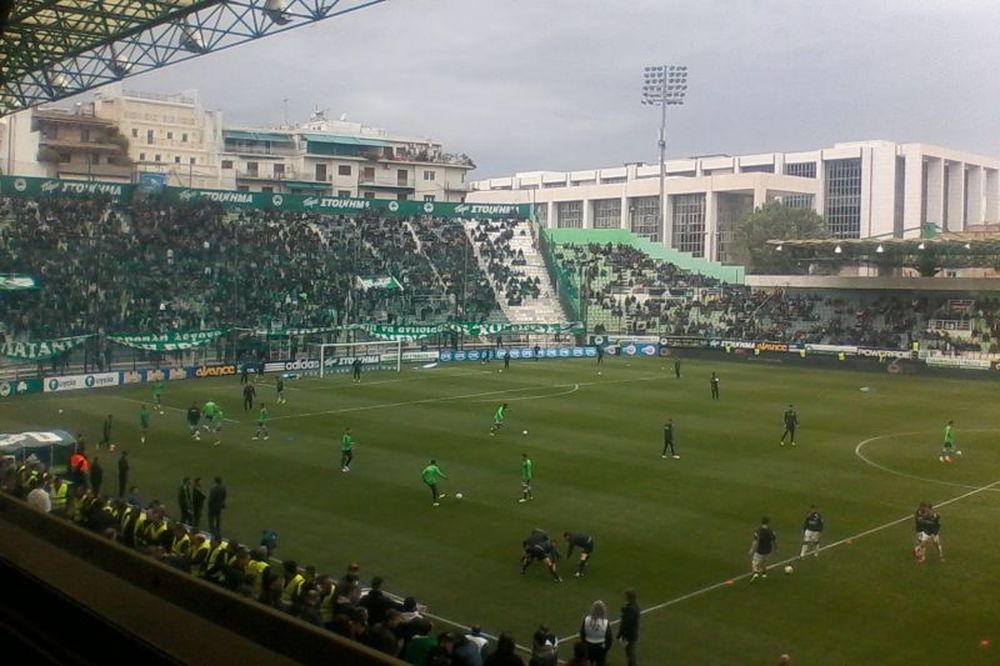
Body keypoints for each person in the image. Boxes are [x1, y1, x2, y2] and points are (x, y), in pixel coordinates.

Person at [579, 600, 612, 666]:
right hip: (600, 647)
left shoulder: (586, 619)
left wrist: (585, 643)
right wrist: (605, 648)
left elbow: (582, 634)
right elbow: (609, 638)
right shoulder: (605, 622)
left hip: (588, 646)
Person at [749, 516, 776, 581]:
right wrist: (775, 547)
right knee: (764, 562)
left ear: (761, 522)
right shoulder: (771, 531)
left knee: (754, 562)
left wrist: (752, 549)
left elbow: (755, 541)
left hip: (760, 550)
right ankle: (764, 574)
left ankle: (755, 573)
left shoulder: (759, 531)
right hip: (768, 549)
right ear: (768, 523)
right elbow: (774, 540)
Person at [617, 589, 639, 666]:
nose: (624, 597)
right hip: (632, 633)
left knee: (630, 652)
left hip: (628, 635)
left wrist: (620, 634)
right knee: (630, 652)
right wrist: (624, 610)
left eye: (626, 595)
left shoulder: (631, 608)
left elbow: (626, 623)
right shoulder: (634, 605)